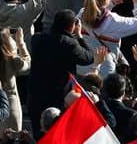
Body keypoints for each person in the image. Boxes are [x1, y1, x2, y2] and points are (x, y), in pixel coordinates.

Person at [28, 9, 94, 138]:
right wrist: (79, 36)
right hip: (57, 94)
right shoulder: (69, 43)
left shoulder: (37, 38)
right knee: (56, 130)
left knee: (38, 131)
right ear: (72, 26)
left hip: (36, 92)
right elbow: (88, 57)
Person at [78, 0, 137, 76]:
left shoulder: (82, 14)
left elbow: (97, 13)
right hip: (104, 72)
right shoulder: (114, 21)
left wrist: (112, 3)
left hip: (81, 67)